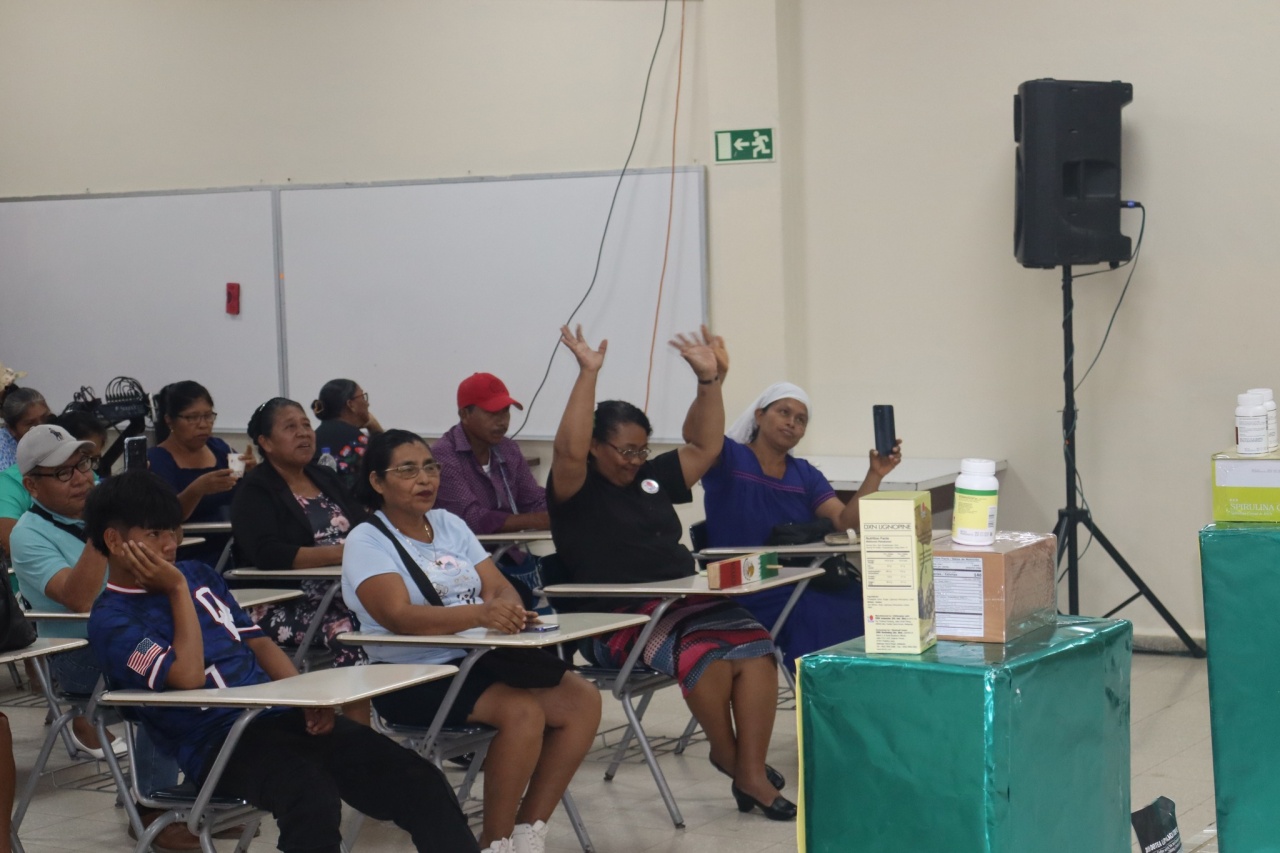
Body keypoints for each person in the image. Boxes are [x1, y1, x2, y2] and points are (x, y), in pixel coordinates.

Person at [85, 471, 478, 853]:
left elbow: (259, 644)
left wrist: (304, 700)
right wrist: (175, 589)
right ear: (114, 540)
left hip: (275, 717)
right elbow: (188, 677)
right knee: (309, 793)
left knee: (417, 777)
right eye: (154, 534)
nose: (170, 545)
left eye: (173, 531)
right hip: (215, 743)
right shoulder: (112, 618)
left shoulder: (199, 575)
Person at [547, 325, 796, 822]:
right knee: (706, 653)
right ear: (595, 446)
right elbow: (567, 451)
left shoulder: (650, 477)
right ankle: (734, 761)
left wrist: (710, 382)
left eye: (642, 450)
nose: (635, 461)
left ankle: (746, 767)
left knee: (757, 646)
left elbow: (704, 446)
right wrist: (588, 373)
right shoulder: (576, 487)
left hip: (684, 602)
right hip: (615, 620)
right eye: (625, 451)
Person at [343, 429, 600, 853]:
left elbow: (499, 587)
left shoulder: (448, 523)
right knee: (522, 712)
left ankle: (527, 831)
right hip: (410, 673)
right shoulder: (366, 539)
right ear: (377, 481)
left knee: (582, 699)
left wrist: (506, 611)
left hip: (478, 657)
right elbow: (397, 616)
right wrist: (481, 614)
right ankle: (494, 841)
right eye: (407, 470)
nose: (424, 479)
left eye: (430, 468)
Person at [7, 426, 191, 849]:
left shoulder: (115, 510)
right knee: (162, 679)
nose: (81, 478)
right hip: (78, 653)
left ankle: (198, 796)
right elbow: (78, 598)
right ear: (31, 485)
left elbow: (167, 548)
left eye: (84, 465)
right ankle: (150, 810)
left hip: (136, 633)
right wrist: (101, 527)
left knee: (221, 660)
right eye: (64, 472)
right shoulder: (28, 533)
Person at [700, 381, 903, 667]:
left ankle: (861, 689)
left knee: (867, 604)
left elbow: (844, 522)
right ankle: (819, 691)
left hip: (797, 579)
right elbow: (698, 438)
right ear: (759, 415)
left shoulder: (805, 474)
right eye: (784, 412)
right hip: (742, 583)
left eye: (801, 419)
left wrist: (876, 474)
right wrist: (711, 380)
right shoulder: (729, 458)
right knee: (819, 613)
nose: (791, 423)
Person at [230, 398, 368, 701]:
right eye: (290, 427)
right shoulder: (255, 490)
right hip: (287, 604)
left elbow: (364, 525)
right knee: (353, 633)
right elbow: (268, 553)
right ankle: (357, 725)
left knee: (406, 616)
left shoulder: (324, 477)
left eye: (306, 424)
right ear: (266, 442)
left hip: (348, 594)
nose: (303, 433)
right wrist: (343, 554)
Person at [433, 373, 548, 605]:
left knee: (569, 573)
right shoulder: (443, 456)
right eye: (492, 413)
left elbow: (534, 500)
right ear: (465, 414)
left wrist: (565, 509)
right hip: (461, 565)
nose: (502, 421)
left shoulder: (508, 449)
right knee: (523, 597)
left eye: (505, 412)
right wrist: (538, 520)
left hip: (507, 557)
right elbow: (472, 519)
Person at [148, 381, 254, 567]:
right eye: (192, 418)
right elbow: (166, 517)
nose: (203, 425)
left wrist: (252, 471)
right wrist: (197, 489)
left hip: (237, 548)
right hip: (190, 555)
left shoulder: (220, 448)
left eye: (208, 416)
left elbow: (248, 497)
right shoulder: (157, 459)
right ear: (170, 420)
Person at [0, 390, 58, 559]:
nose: (42, 428)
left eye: (46, 419)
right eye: (30, 424)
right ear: (12, 429)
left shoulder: (62, 444)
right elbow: (10, 543)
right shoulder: (8, 475)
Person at [311, 379, 383, 492]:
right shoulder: (359, 441)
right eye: (363, 397)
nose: (367, 403)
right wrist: (376, 429)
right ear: (351, 404)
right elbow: (387, 464)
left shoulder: (312, 438)